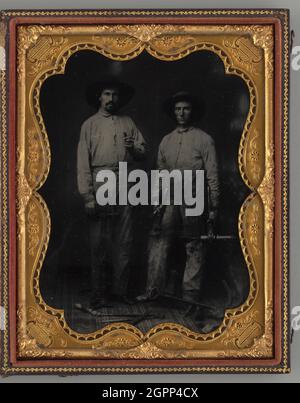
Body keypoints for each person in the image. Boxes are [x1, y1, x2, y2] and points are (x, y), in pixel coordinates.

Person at [137, 91, 219, 304]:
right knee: (159, 241)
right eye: (178, 109)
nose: (182, 113)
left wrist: (213, 209)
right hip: (170, 198)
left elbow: (212, 175)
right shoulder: (166, 141)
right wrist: (157, 204)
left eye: (186, 109)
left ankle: (190, 298)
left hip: (194, 197)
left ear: (193, 112)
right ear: (173, 112)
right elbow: (160, 175)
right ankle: (153, 291)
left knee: (194, 246)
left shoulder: (204, 139)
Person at [77, 79, 146, 310]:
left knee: (124, 241)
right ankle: (99, 295)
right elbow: (82, 163)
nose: (111, 99)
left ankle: (121, 292)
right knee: (100, 243)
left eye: (115, 95)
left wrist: (132, 147)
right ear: (100, 97)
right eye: (107, 94)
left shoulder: (128, 122)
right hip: (101, 182)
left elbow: (143, 152)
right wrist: (88, 196)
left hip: (125, 182)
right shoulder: (89, 125)